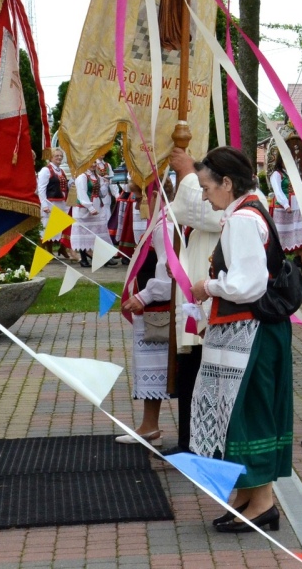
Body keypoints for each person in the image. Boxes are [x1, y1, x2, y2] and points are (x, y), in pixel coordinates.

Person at [189, 146, 293, 532]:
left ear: (227, 183)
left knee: (248, 412)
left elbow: (247, 285)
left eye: (206, 187)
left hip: (250, 331)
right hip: (249, 331)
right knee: (242, 411)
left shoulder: (243, 220)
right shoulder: (250, 209)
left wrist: (207, 285)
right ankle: (250, 494)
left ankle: (263, 503)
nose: (203, 195)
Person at [164, 146, 226, 456]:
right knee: (189, 368)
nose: (203, 193)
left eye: (206, 187)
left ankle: (204, 441)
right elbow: (178, 211)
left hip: (214, 296)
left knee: (207, 371)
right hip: (196, 287)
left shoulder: (234, 205)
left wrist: (187, 173)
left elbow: (204, 214)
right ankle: (188, 439)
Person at [117, 191, 170, 446]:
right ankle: (150, 426)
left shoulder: (165, 227)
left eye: (139, 198)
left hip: (162, 308)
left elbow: (169, 271)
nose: (136, 204)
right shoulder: (158, 225)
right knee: (152, 369)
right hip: (156, 307)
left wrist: (146, 296)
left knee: (161, 368)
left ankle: (155, 427)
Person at [267, 147, 302, 271]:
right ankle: (280, 260)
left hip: (295, 207)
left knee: (299, 232)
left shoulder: (291, 173)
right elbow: (278, 191)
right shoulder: (277, 174)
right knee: (282, 235)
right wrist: (285, 205)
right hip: (283, 209)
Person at [37, 148, 74, 259]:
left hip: (61, 203)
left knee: (56, 228)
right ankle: (42, 254)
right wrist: (44, 205)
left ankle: (52, 251)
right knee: (46, 228)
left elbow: (63, 187)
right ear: (51, 157)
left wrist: (72, 182)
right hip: (50, 203)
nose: (59, 157)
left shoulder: (61, 171)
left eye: (60, 156)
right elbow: (41, 189)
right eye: (56, 155)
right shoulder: (46, 170)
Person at [72, 165, 110, 267]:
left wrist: (105, 184)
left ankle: (101, 257)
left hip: (97, 205)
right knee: (83, 233)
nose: (93, 165)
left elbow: (102, 194)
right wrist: (90, 207)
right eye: (91, 162)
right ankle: (83, 258)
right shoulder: (82, 177)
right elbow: (81, 193)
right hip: (84, 209)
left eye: (94, 162)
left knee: (97, 233)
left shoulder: (97, 177)